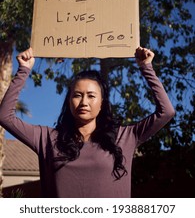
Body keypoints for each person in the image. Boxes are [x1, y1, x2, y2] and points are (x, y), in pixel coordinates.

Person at [0, 46, 175, 198]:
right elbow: (5, 117)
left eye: (91, 96)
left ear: (102, 103)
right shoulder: (47, 138)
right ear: (68, 101)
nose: (84, 102)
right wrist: (24, 69)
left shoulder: (125, 136)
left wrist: (146, 67)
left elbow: (166, 112)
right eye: (77, 95)